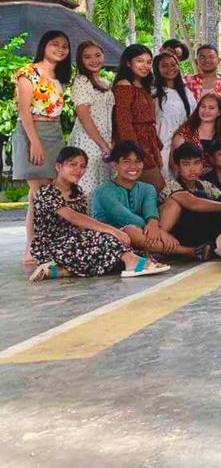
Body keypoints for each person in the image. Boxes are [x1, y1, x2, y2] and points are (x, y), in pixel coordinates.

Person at [28, 146, 168, 281]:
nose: (78, 170)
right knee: (108, 240)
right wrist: (112, 231)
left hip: (73, 243)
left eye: (82, 166)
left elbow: (82, 228)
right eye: (72, 165)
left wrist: (94, 238)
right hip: (53, 246)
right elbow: (73, 217)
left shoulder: (77, 192)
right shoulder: (47, 192)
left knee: (115, 252)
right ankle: (133, 264)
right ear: (59, 167)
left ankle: (60, 271)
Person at [13, 29, 71, 260]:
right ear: (44, 45)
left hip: (54, 131)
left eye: (65, 46)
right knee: (38, 193)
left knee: (46, 192)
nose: (60, 49)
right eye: (55, 44)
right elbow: (23, 110)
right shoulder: (29, 71)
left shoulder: (60, 76)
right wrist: (34, 142)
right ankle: (33, 246)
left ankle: (41, 245)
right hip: (32, 130)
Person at [92, 141, 191, 258]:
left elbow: (151, 212)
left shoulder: (147, 188)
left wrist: (153, 224)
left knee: (173, 205)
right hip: (113, 237)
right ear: (114, 165)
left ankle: (153, 247)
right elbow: (124, 216)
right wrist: (159, 232)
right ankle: (190, 252)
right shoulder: (104, 190)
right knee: (131, 231)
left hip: (145, 233)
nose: (133, 166)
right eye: (126, 162)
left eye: (138, 161)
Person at [158, 143, 221, 260]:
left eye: (197, 163)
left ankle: (212, 245)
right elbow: (194, 204)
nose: (192, 169)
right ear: (177, 167)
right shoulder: (171, 185)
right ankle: (206, 247)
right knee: (201, 196)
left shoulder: (205, 185)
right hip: (182, 233)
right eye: (186, 164)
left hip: (203, 230)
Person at [112, 43, 165, 192]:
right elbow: (123, 120)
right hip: (135, 142)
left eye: (148, 62)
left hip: (148, 140)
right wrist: (133, 150)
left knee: (144, 189)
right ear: (129, 63)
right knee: (157, 185)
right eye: (140, 61)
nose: (145, 66)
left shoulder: (143, 85)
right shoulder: (124, 85)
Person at [69, 40, 115, 198]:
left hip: (105, 141)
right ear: (80, 60)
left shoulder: (105, 83)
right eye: (87, 57)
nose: (94, 60)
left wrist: (109, 143)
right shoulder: (82, 81)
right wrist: (103, 145)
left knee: (103, 189)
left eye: (97, 55)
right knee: (87, 188)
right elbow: (84, 117)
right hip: (89, 141)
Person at [153, 51, 197, 179]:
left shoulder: (186, 92)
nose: (170, 68)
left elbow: (194, 118)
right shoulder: (153, 93)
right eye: (164, 65)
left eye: (173, 64)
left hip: (184, 145)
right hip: (162, 146)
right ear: (157, 69)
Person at [169, 93, 221, 175]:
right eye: (203, 106)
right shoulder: (183, 135)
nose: (206, 111)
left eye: (211, 108)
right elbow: (174, 165)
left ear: (219, 112)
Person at [184, 44, 221, 125]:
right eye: (202, 57)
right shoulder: (186, 82)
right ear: (197, 61)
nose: (207, 60)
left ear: (218, 61)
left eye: (211, 57)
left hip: (218, 132)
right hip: (189, 130)